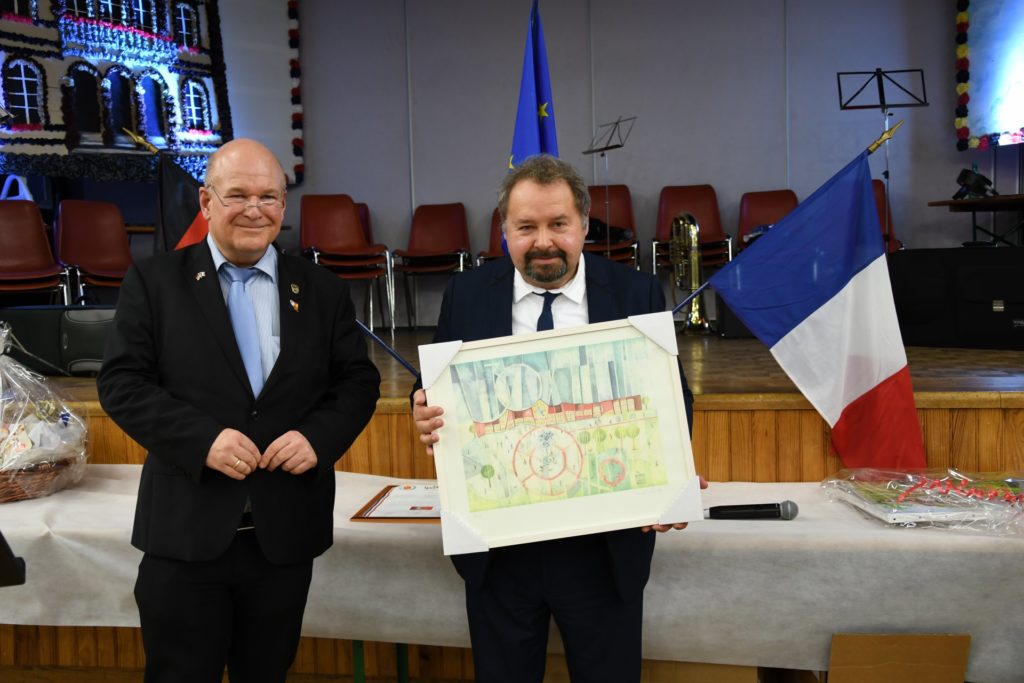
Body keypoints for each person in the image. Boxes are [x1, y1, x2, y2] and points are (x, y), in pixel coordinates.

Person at [98, 138, 381, 683]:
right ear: (205, 202)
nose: (255, 209)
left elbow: (357, 381)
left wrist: (318, 439)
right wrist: (202, 441)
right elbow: (122, 383)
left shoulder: (321, 290)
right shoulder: (155, 283)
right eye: (238, 195)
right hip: (186, 534)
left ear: (283, 205)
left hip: (283, 537)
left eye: (269, 196)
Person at [412, 154, 698, 683]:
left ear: (584, 226)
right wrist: (421, 408)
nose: (543, 241)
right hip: (500, 551)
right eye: (526, 227)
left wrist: (671, 475)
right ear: (504, 232)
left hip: (604, 549)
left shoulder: (635, 292)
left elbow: (671, 399)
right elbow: (432, 387)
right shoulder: (468, 293)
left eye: (558, 224)